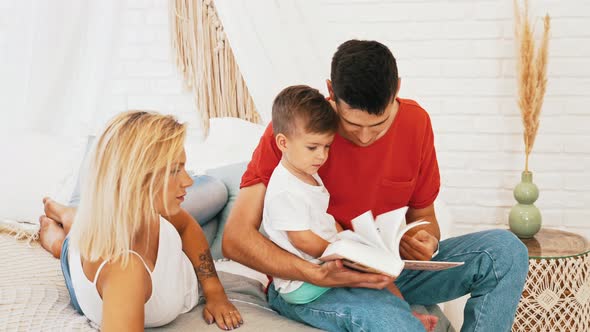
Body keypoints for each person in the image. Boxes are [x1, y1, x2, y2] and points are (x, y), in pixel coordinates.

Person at [223, 39, 529, 331]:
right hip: (318, 284)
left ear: (397, 89)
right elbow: (235, 239)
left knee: (505, 251)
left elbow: (426, 219)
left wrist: (427, 241)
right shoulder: (297, 133)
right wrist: (319, 274)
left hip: (387, 271)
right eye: (352, 125)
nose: (365, 137)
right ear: (331, 91)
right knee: (396, 325)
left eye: (379, 124)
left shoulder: (416, 123)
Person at [38, 111, 243, 331]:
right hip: (83, 265)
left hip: (101, 232)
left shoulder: (150, 209)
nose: (188, 181)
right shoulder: (125, 271)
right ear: (136, 176)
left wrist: (215, 291)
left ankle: (69, 214)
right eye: (175, 170)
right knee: (66, 245)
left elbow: (186, 226)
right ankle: (58, 236)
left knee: (216, 193)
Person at [262, 85, 438, 331]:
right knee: (368, 278)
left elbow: (322, 217)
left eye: (327, 147)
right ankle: (406, 320)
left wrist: (348, 237)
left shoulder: (307, 174)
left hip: (324, 262)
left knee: (380, 276)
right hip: (303, 283)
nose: (321, 156)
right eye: (313, 147)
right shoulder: (284, 188)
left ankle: (408, 314)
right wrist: (340, 251)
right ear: (283, 142)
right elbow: (300, 238)